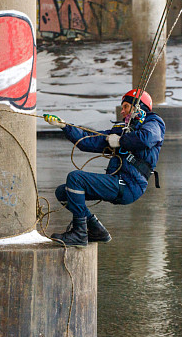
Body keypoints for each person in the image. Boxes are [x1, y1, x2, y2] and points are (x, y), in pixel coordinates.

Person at [44, 89, 165, 246]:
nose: (122, 111)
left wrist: (121, 141)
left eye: (126, 107)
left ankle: (79, 234)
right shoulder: (122, 130)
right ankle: (96, 230)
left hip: (130, 185)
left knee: (75, 178)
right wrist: (65, 126)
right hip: (119, 181)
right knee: (63, 192)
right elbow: (88, 140)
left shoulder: (154, 122)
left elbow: (146, 138)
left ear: (138, 107)